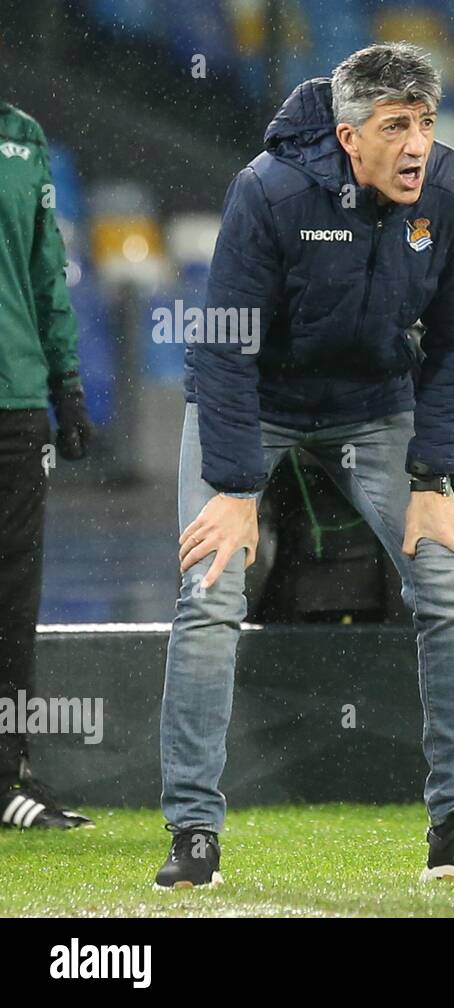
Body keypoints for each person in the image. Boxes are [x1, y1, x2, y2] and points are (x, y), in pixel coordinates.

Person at [154, 43, 454, 887]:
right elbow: (223, 349)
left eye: (427, 124)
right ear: (348, 135)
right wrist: (236, 489)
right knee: (211, 585)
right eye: (396, 126)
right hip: (256, 403)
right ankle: (192, 835)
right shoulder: (270, 191)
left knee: (446, 578)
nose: (417, 146)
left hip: (374, 407)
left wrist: (434, 481)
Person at [0, 101, 95, 830]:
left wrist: (66, 384)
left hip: (15, 400)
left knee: (11, 602)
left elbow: (45, 273)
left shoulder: (23, 136)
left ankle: (6, 778)